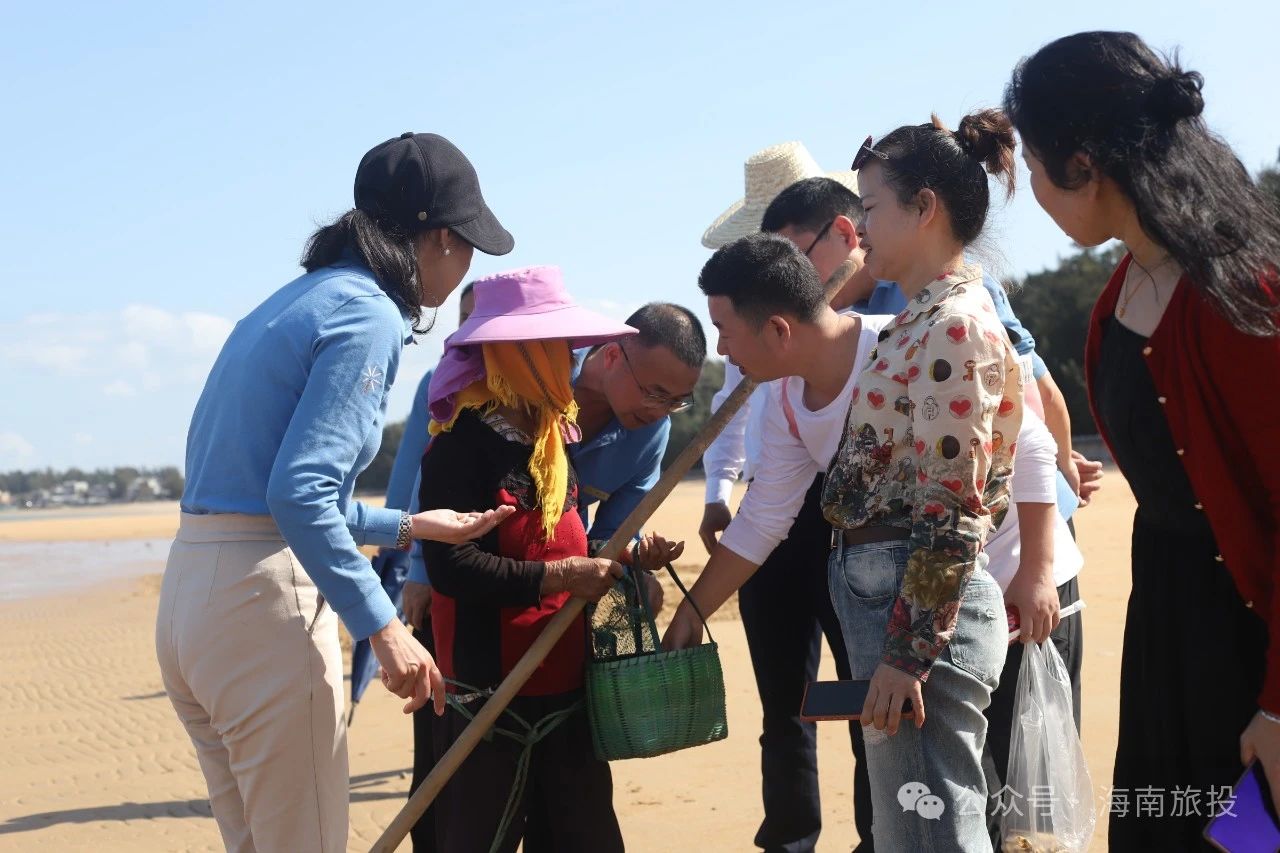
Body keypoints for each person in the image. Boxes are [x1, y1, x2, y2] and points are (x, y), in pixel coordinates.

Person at [155, 132, 514, 853]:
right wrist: (386, 627)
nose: (467, 262)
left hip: (193, 594)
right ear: (439, 238)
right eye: (470, 243)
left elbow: (275, 494)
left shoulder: (292, 300)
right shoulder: (370, 313)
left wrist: (410, 524)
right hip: (263, 606)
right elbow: (298, 496)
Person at [1006, 30, 1280, 847]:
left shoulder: (1243, 293)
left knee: (1245, 836)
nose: (1036, 193)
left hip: (1251, 640)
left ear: (1084, 162)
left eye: (1035, 162)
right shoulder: (1122, 286)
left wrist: (1275, 702)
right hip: (1169, 628)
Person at [399, 299, 705, 850]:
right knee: (465, 816)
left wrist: (629, 559)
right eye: (551, 352)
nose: (564, 362)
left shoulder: (555, 442)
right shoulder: (460, 443)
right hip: (482, 682)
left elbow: (600, 541)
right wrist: (556, 575)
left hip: (560, 666)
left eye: (676, 400)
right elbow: (447, 553)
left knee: (577, 824)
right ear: (511, 362)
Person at [364, 280, 476, 853]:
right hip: (430, 561)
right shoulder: (440, 382)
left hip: (494, 581)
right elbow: (414, 467)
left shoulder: (538, 386)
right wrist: (410, 565)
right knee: (432, 745)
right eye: (466, 325)